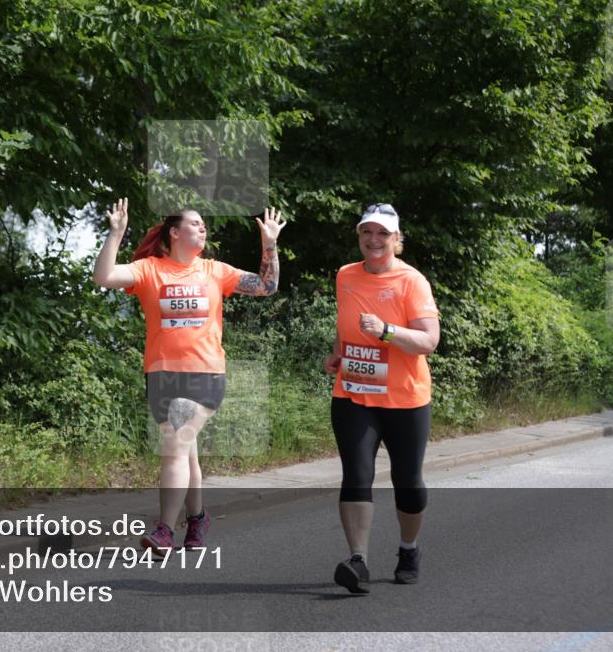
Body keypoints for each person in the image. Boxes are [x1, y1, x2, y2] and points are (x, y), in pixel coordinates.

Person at [93, 197, 286, 553]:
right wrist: (116, 234)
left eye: (203, 225)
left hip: (205, 374)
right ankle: (197, 520)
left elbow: (266, 286)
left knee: (176, 445)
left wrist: (269, 244)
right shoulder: (150, 269)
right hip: (162, 375)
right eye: (195, 224)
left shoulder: (214, 270)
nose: (203, 228)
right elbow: (104, 277)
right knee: (186, 451)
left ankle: (165, 529)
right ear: (174, 232)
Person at [323, 203, 440, 593]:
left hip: (406, 398)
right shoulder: (345, 275)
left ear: (396, 239)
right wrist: (338, 353)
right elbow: (345, 324)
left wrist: (387, 331)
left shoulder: (412, 282)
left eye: (383, 234)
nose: (374, 240)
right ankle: (358, 561)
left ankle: (409, 549)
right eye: (366, 232)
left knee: (408, 481)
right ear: (359, 236)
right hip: (354, 393)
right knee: (356, 475)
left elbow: (429, 341)